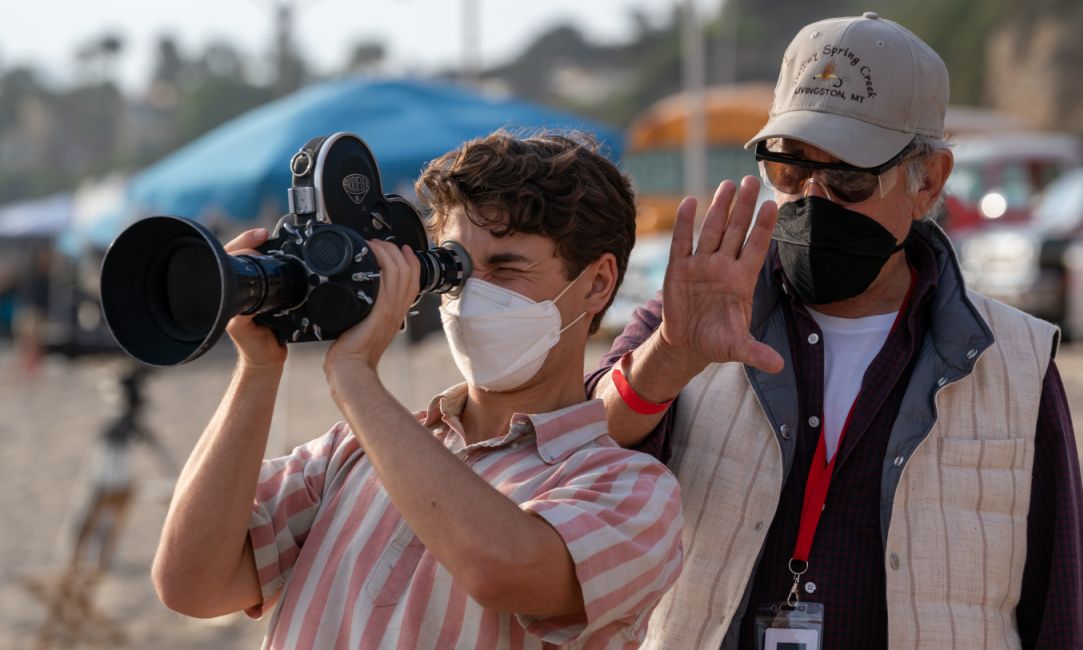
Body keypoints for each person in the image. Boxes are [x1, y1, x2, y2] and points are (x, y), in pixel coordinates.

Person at [589, 12, 1083, 649]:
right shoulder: (692, 316)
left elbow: (1064, 609)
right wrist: (666, 358)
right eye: (789, 168)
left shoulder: (1016, 362)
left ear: (930, 180)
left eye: (849, 176)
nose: (813, 196)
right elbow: (577, 456)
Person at [151, 131, 684, 648]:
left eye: (505, 269)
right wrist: (257, 368)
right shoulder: (353, 451)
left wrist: (356, 375)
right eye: (453, 269)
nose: (473, 294)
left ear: (597, 282)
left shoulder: (631, 488)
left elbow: (502, 569)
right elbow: (190, 583)